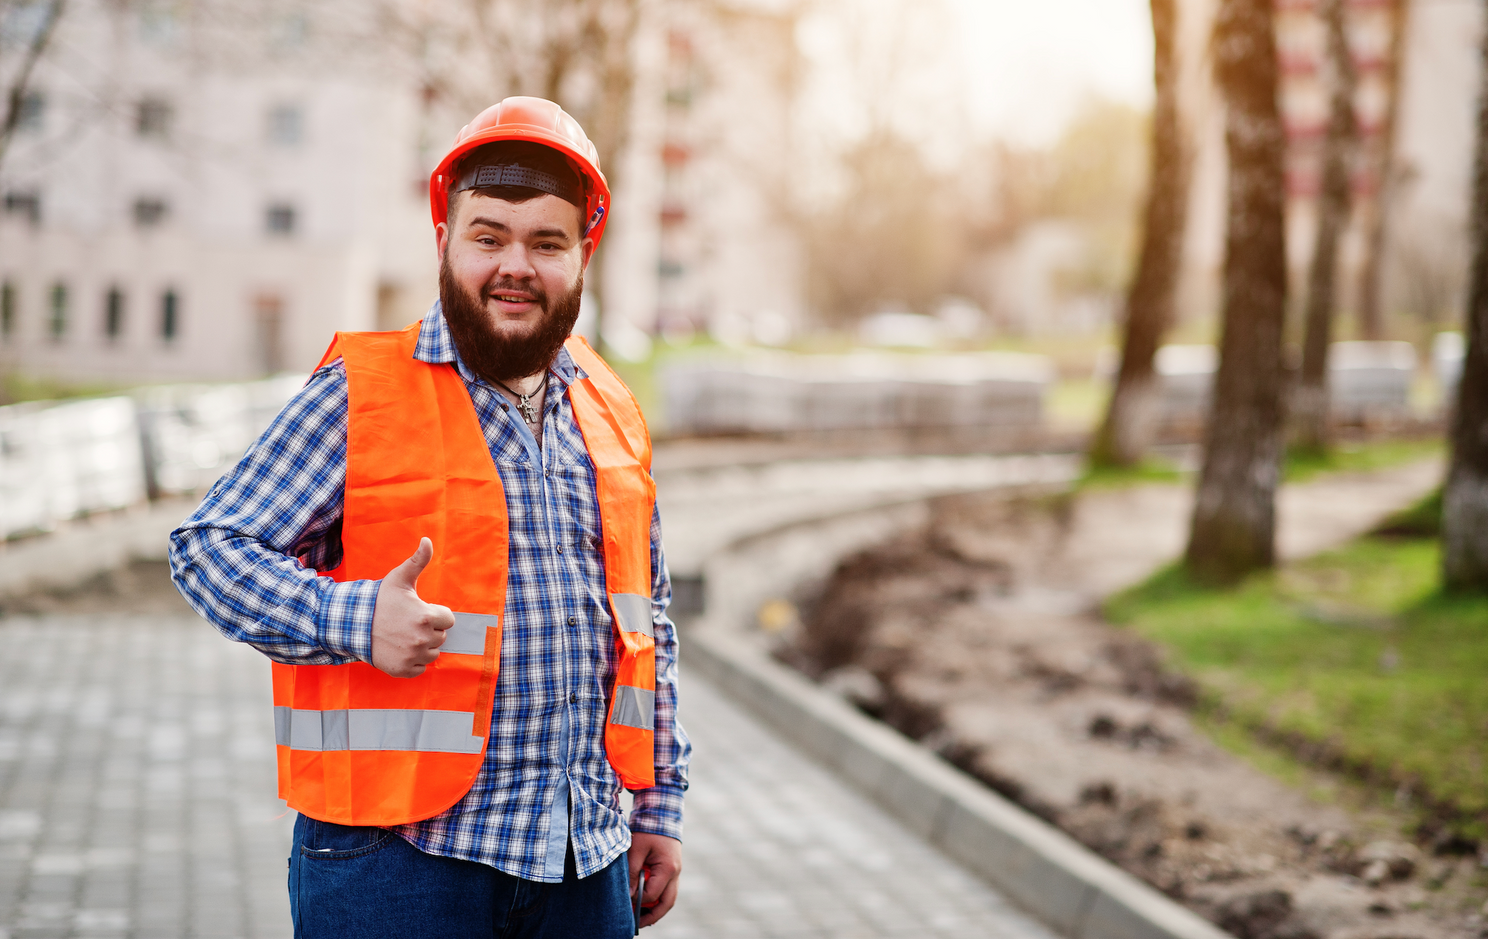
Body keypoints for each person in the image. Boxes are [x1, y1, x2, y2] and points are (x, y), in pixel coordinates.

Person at [169, 97, 688, 938]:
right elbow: (208, 550)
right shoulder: (361, 394)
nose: (515, 265)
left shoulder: (613, 410)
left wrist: (658, 802)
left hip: (582, 864)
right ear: (445, 240)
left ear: (584, 254)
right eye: (488, 236)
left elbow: (646, 622)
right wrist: (355, 615)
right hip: (397, 865)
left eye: (546, 242)